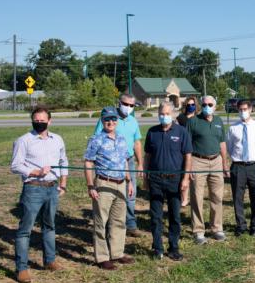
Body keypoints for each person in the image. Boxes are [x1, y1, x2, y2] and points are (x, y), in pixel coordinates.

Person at [10, 106, 69, 283]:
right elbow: (15, 165)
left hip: (52, 188)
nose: (39, 123)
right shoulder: (23, 141)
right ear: (32, 120)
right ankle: (22, 268)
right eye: (36, 120)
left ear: (49, 121)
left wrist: (63, 184)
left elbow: (63, 161)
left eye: (43, 120)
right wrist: (36, 172)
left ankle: (49, 260)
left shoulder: (57, 139)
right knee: (25, 230)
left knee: (49, 226)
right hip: (33, 188)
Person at [84, 106, 134, 270]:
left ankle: (117, 253)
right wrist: (91, 185)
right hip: (104, 183)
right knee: (101, 222)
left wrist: (130, 181)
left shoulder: (121, 139)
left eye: (113, 119)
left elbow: (125, 160)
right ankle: (102, 257)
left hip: (121, 184)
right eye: (107, 119)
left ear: (117, 121)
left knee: (119, 221)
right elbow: (88, 162)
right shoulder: (96, 139)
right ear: (102, 121)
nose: (110, 122)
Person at [143, 102, 193, 261]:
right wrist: (145, 177)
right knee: (156, 216)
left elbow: (188, 156)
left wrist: (185, 178)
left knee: (174, 216)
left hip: (175, 180)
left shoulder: (182, 132)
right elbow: (147, 156)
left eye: (166, 113)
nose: (163, 116)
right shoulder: (152, 132)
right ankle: (157, 247)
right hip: (156, 180)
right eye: (161, 113)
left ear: (172, 114)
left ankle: (173, 247)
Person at [94, 93, 143, 237]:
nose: (128, 107)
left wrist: (140, 163)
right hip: (111, 162)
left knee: (130, 193)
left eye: (131, 105)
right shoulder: (110, 119)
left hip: (128, 161)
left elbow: (137, 142)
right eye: (125, 104)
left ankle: (130, 223)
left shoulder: (133, 121)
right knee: (110, 193)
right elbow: (98, 138)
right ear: (119, 102)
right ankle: (110, 224)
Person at [186, 95, 229, 244]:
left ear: (215, 106)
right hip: (198, 161)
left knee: (217, 196)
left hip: (216, 161)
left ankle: (217, 228)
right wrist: (189, 165)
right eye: (204, 104)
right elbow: (187, 145)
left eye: (210, 104)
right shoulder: (193, 122)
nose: (207, 107)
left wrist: (224, 163)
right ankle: (198, 230)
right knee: (197, 197)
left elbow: (222, 143)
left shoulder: (218, 121)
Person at [226, 100, 255, 236]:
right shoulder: (233, 128)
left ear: (250, 109)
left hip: (254, 166)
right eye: (240, 109)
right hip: (238, 167)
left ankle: (254, 226)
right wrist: (237, 159)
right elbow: (229, 146)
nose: (243, 112)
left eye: (245, 109)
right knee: (238, 198)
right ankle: (241, 225)